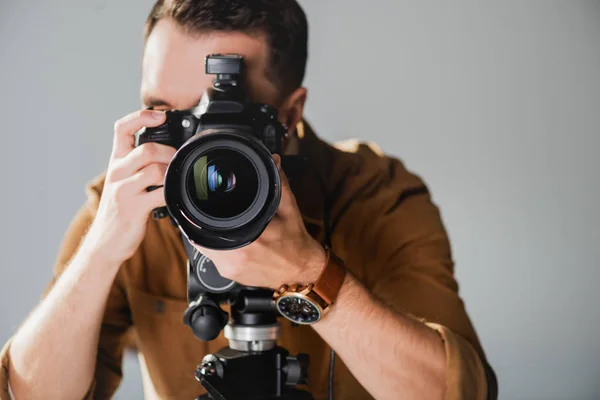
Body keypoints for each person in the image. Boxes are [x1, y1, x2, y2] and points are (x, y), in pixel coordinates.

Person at [0, 1, 497, 399]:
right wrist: (102, 249)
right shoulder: (129, 201)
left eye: (221, 119)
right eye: (166, 114)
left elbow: (458, 393)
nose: (192, 153)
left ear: (290, 111)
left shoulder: (373, 195)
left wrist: (314, 275)